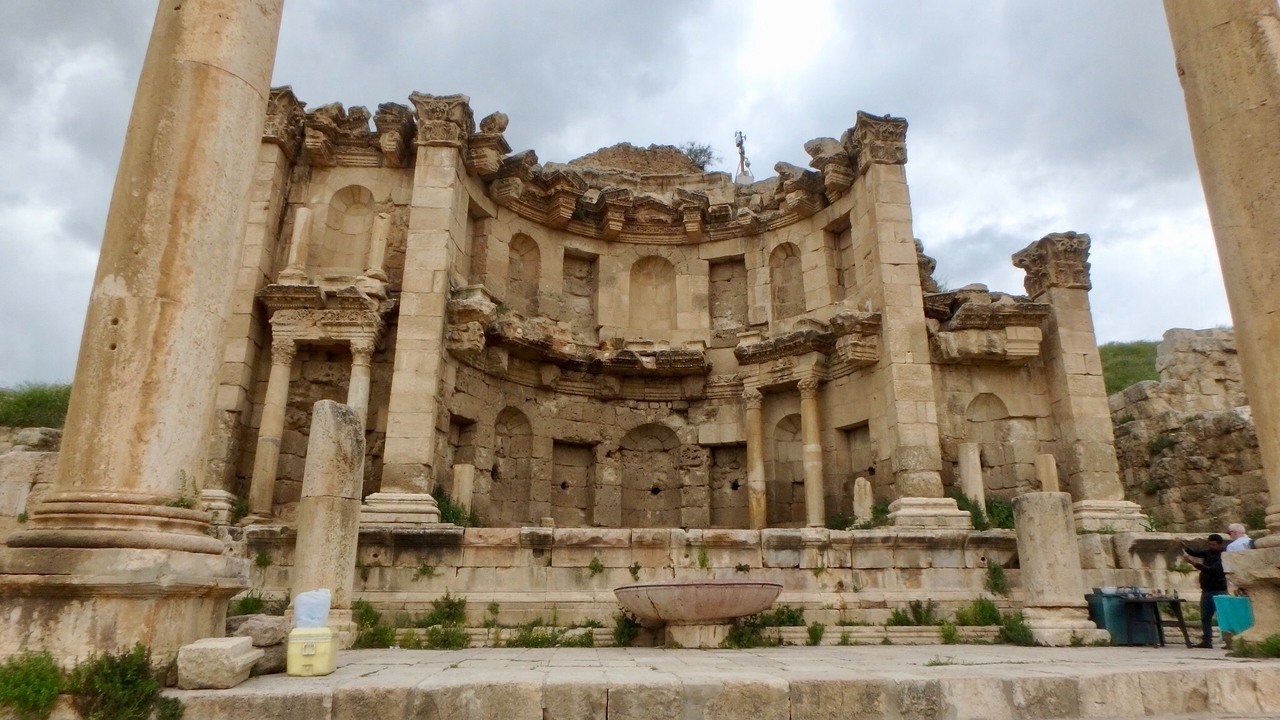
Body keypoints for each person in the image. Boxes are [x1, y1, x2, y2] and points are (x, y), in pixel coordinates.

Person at [1184, 534, 1228, 648]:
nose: (1211, 546)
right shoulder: (1208, 552)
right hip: (1207, 589)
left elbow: (1212, 570)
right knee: (1205, 617)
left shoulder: (1223, 556)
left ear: (1220, 544)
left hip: (1219, 590)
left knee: (1223, 617)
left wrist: (1194, 563)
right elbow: (1197, 553)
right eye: (1209, 544)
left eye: (1213, 544)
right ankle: (1207, 640)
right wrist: (1186, 548)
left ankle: (1229, 641)